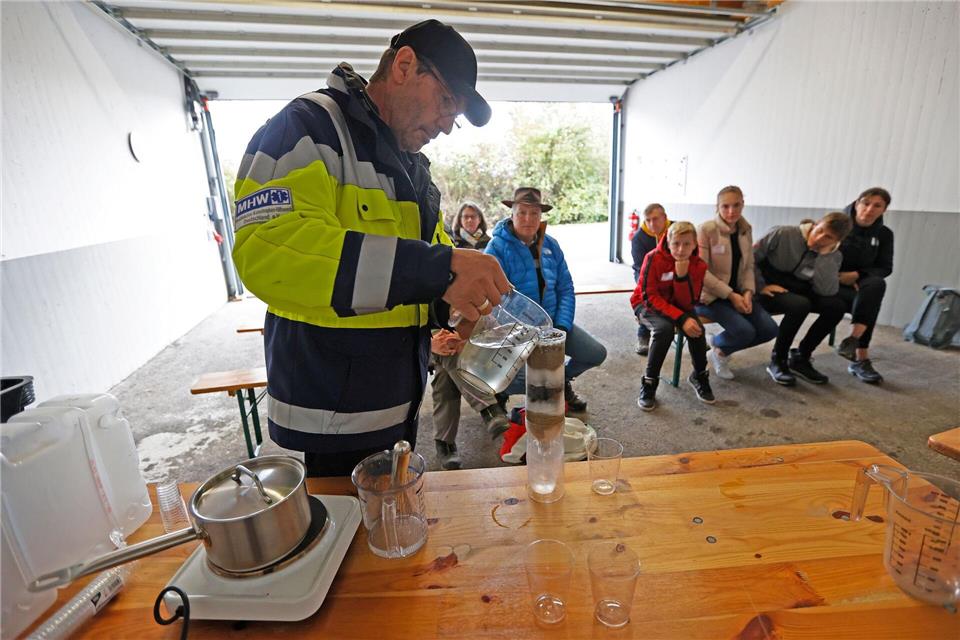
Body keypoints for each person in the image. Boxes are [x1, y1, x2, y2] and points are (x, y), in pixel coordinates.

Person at [232, 20, 511, 477]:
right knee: (337, 542)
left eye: (454, 116)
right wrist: (440, 270)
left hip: (394, 416)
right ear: (404, 66)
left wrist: (457, 303)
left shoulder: (410, 169)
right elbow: (270, 249)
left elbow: (420, 263)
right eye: (445, 102)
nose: (445, 126)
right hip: (323, 427)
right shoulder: (307, 127)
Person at [484, 187, 607, 413]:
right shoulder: (496, 248)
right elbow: (494, 298)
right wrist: (525, 333)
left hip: (552, 326)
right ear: (511, 214)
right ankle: (501, 393)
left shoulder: (551, 245)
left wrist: (561, 327)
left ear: (541, 216)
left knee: (596, 353)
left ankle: (562, 381)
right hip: (517, 331)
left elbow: (566, 288)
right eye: (522, 212)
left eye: (534, 213)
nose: (528, 219)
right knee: (525, 378)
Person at [431, 201, 508, 470]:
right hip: (434, 327)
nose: (469, 220)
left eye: (474, 216)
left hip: (469, 321)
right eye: (465, 216)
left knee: (447, 371)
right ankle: (489, 408)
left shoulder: (489, 245)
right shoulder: (446, 249)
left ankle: (445, 443)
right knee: (451, 352)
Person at [754, 212, 853, 386]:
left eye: (828, 237)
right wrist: (760, 285)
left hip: (798, 287)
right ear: (815, 224)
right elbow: (749, 259)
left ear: (836, 241)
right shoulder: (784, 233)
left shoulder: (834, 256)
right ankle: (778, 360)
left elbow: (827, 291)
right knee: (800, 305)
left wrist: (824, 257)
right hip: (767, 286)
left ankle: (801, 357)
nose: (820, 237)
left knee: (836, 306)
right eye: (820, 230)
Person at [630, 221, 716, 410]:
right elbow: (648, 295)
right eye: (676, 243)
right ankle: (649, 383)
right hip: (647, 304)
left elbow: (688, 303)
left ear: (695, 244)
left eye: (687, 244)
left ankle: (700, 375)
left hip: (679, 304)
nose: (680, 249)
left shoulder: (699, 265)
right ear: (668, 241)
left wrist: (681, 276)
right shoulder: (653, 258)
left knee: (698, 330)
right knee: (664, 330)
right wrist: (682, 318)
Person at [696, 186, 778, 380]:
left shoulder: (745, 229)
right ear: (717, 207)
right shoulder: (706, 230)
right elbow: (702, 273)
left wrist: (748, 292)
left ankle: (718, 348)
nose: (731, 211)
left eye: (736, 205)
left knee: (769, 329)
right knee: (745, 331)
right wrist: (731, 295)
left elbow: (748, 265)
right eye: (725, 206)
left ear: (743, 204)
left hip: (738, 294)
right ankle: (720, 348)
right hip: (709, 296)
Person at [835, 187, 894, 384]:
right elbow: (818, 252)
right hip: (831, 280)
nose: (869, 209)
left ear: (884, 210)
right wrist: (836, 276)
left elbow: (885, 267)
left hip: (860, 283)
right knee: (870, 299)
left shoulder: (884, 234)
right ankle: (860, 355)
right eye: (866, 203)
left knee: (875, 288)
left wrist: (858, 276)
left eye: (877, 206)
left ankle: (855, 347)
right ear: (856, 203)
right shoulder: (837, 224)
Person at [429, 328, 510, 470]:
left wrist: (465, 337)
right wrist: (430, 343)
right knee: (448, 350)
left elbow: (488, 320)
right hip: (425, 343)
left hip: (478, 344)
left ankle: (444, 444)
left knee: (445, 380)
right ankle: (489, 409)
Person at [630, 203, 671, 355]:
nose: (652, 224)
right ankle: (643, 335)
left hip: (670, 271)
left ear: (665, 218)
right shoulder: (638, 238)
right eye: (648, 220)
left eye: (655, 219)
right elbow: (641, 268)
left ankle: (690, 329)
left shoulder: (674, 230)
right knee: (646, 296)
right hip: (644, 272)